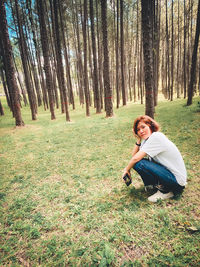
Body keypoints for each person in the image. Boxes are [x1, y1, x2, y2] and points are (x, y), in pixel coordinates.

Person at [122, 115, 187, 202]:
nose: (141, 131)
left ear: (150, 126)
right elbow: (134, 157)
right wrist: (138, 140)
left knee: (139, 163)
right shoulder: (146, 141)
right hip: (169, 176)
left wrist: (127, 169)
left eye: (143, 127)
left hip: (177, 182)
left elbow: (135, 159)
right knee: (137, 163)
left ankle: (166, 191)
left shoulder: (156, 137)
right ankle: (156, 186)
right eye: (138, 130)